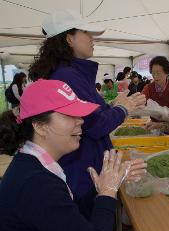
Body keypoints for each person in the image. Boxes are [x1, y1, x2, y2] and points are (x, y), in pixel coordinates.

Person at [0, 79, 147, 231]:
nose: (81, 121)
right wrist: (108, 193)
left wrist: (102, 187)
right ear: (40, 126)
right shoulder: (36, 183)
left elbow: (68, 217)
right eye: (70, 115)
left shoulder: (34, 165)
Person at [28, 10, 146, 202]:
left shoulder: (68, 73)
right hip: (83, 172)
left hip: (82, 167)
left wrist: (113, 105)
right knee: (95, 227)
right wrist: (123, 109)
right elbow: (95, 125)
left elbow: (90, 114)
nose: (93, 39)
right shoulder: (67, 76)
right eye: (87, 33)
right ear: (69, 39)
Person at [142, 56, 169, 134]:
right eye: (153, 73)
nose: (155, 76)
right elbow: (140, 102)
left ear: (166, 73)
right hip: (154, 129)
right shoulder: (148, 88)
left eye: (158, 73)